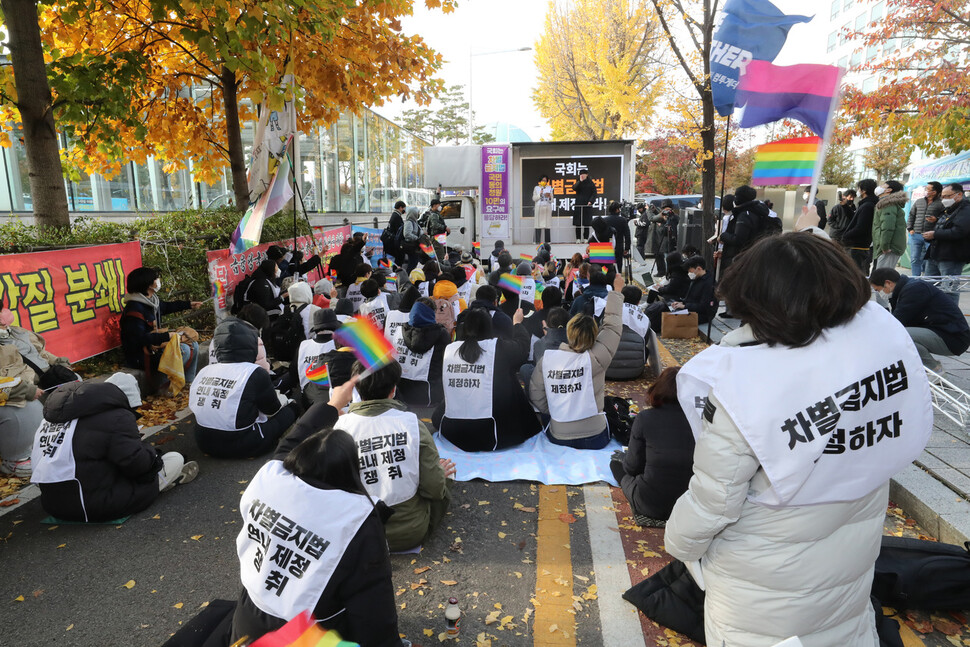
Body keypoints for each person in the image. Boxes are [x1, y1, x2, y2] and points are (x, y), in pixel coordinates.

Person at [665, 232, 932, 646]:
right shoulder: (875, 348)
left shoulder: (748, 384)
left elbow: (712, 503)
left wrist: (676, 540)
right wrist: (813, 237)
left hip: (763, 585)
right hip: (847, 564)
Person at [229, 425, 406, 647]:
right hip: (304, 637)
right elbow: (372, 610)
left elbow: (286, 445)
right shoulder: (355, 520)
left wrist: (331, 407)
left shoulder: (270, 482)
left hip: (247, 622)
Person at [31, 372, 197, 522]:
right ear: (126, 400)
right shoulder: (117, 416)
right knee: (174, 458)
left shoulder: (48, 420)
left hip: (53, 504)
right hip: (96, 506)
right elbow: (140, 466)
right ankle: (164, 481)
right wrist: (148, 450)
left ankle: (163, 481)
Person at [334, 360, 454, 552]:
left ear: (356, 388)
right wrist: (440, 474)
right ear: (393, 389)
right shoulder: (412, 424)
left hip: (357, 536)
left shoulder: (338, 427)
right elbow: (433, 489)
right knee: (444, 476)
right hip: (410, 534)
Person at [530, 273, 624, 449]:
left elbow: (537, 396)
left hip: (558, 435)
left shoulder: (547, 359)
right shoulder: (597, 357)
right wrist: (616, 291)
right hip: (596, 437)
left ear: (568, 332)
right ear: (595, 334)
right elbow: (612, 326)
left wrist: (555, 413)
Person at [434, 307, 541, 451]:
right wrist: (517, 323)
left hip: (454, 428)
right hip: (491, 429)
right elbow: (522, 347)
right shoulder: (497, 348)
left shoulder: (451, 349)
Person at [190, 319, 300, 458]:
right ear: (251, 344)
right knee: (290, 410)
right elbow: (272, 409)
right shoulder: (253, 371)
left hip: (203, 441)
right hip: (244, 444)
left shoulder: (205, 371)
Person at [610, 367, 694, 526]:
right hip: (687, 503)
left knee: (616, 465)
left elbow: (632, 467)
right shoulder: (698, 420)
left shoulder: (645, 418)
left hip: (649, 503)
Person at [870, 267, 970, 373]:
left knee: (899, 334)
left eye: (878, 290)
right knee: (898, 335)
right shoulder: (905, 289)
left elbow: (896, 324)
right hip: (942, 332)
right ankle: (924, 368)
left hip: (953, 337)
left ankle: (934, 369)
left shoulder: (914, 289)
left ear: (888, 283)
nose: (879, 293)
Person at [120, 266, 202, 388]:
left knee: (192, 344)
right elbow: (139, 340)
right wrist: (167, 336)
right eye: (156, 279)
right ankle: (163, 387)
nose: (158, 281)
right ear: (148, 284)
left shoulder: (151, 301)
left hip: (155, 347)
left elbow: (168, 307)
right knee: (183, 350)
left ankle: (188, 383)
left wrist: (189, 304)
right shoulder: (134, 310)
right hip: (140, 356)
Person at [395, 298, 451, 407]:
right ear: (432, 313)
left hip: (400, 392)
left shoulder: (400, 330)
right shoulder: (441, 333)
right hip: (429, 395)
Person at [923, 182, 970, 303]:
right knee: (929, 288)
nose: (944, 199)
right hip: (935, 253)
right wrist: (931, 235)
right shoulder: (948, 209)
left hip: (951, 256)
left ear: (959, 194)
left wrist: (935, 234)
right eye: (942, 197)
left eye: (947, 196)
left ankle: (950, 318)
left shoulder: (966, 210)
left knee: (949, 291)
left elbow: (959, 231)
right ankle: (933, 316)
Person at [648, 255, 716, 333]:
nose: (690, 274)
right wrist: (682, 302)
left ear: (699, 269)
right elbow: (690, 298)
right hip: (690, 308)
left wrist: (684, 305)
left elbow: (704, 307)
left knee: (662, 317)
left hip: (701, 315)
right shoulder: (697, 278)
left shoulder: (709, 284)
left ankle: (650, 329)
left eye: (690, 271)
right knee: (660, 307)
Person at [293, 308, 340, 407]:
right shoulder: (339, 345)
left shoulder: (303, 345)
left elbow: (293, 373)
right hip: (334, 401)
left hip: (307, 401)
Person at [718, 185, 768, 278]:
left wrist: (723, 236)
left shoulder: (744, 215)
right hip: (749, 257)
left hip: (739, 260)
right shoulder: (755, 212)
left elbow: (739, 239)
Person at [606, 285, 650, 381]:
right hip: (635, 371)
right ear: (639, 302)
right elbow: (644, 343)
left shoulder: (610, 311)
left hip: (606, 370)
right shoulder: (645, 319)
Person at [841, 178, 879, 274]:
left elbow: (861, 227)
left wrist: (846, 235)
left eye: (858, 188)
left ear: (864, 190)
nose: (857, 191)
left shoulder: (867, 206)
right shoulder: (866, 204)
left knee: (856, 272)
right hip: (859, 245)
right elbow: (855, 218)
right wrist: (845, 206)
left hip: (858, 246)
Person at [907, 182, 943, 276]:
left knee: (929, 259)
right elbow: (911, 215)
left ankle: (926, 278)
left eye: (928, 189)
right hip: (916, 234)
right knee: (915, 258)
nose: (926, 190)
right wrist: (910, 228)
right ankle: (916, 278)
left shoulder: (941, 203)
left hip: (931, 235)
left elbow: (945, 217)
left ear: (934, 192)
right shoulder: (919, 201)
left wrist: (936, 219)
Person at [871, 180, 908, 270]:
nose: (880, 187)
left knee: (883, 277)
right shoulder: (888, 203)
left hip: (889, 248)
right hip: (889, 246)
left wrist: (885, 246)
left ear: (888, 190)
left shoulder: (887, 204)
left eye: (883, 186)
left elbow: (888, 227)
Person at [651, 200, 679, 277]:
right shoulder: (663, 216)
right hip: (663, 241)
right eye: (665, 209)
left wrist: (664, 222)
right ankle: (664, 273)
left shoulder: (674, 218)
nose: (666, 211)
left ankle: (669, 275)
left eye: (668, 209)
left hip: (669, 242)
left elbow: (667, 230)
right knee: (662, 257)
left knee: (668, 259)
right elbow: (653, 218)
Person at [604, 201, 631, 273]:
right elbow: (627, 234)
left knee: (606, 264)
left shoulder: (605, 220)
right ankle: (618, 276)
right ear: (616, 210)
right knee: (618, 263)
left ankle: (606, 278)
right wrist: (627, 248)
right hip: (619, 245)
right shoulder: (622, 220)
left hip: (607, 246)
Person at [573, 169, 597, 242]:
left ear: (587, 175)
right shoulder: (578, 182)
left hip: (587, 205)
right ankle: (578, 238)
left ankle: (586, 238)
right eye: (581, 174)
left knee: (586, 222)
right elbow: (574, 188)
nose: (582, 175)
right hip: (578, 205)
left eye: (583, 174)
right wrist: (580, 181)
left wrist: (591, 201)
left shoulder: (591, 183)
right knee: (578, 222)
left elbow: (594, 193)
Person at [532, 175, 554, 244]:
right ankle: (537, 240)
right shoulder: (536, 188)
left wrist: (549, 197)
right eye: (542, 180)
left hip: (547, 208)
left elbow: (552, 200)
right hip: (539, 208)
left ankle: (547, 241)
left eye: (545, 180)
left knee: (547, 225)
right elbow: (534, 198)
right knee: (538, 225)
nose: (544, 182)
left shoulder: (549, 188)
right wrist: (540, 195)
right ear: (540, 181)